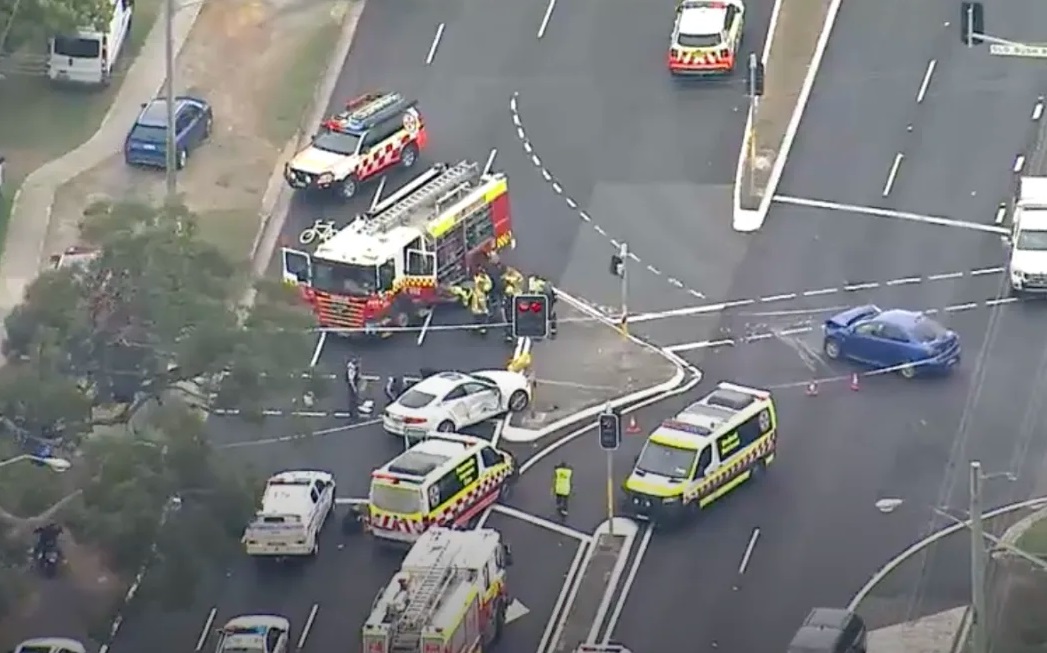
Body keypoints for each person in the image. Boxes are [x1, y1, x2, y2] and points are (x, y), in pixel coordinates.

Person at [469, 270, 492, 336]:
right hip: (477, 298)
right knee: (479, 314)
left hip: (479, 298)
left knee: (480, 314)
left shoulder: (482, 279)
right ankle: (479, 326)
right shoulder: (478, 279)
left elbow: (488, 286)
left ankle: (480, 326)